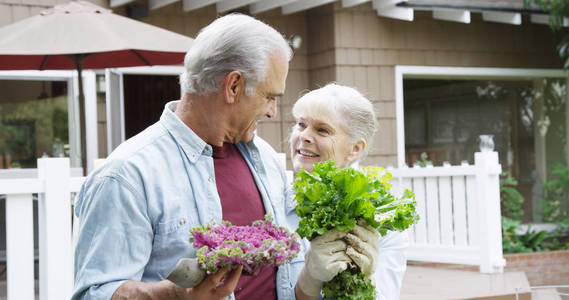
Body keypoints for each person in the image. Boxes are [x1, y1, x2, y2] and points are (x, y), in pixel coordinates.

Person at [72, 14, 376, 300]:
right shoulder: (128, 175)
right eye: (270, 96)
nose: (272, 111)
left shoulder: (266, 159)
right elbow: (94, 293)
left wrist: (315, 274)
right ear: (233, 86)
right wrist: (175, 295)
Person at [289, 83, 409, 300]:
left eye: (322, 130)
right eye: (301, 124)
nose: (304, 136)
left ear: (355, 148)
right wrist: (309, 280)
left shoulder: (383, 221)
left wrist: (366, 277)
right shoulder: (270, 196)